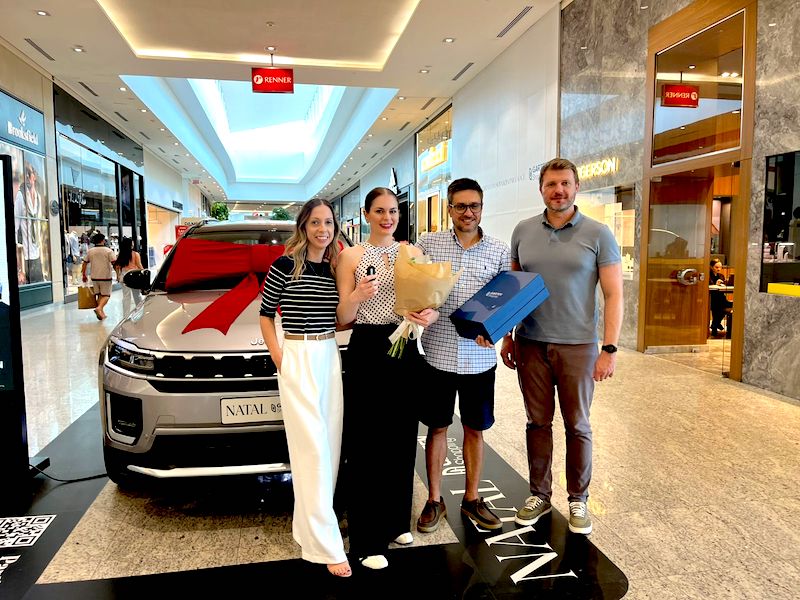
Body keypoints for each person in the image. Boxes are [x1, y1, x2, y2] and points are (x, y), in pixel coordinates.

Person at [501, 157, 623, 535]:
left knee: (578, 425)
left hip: (578, 346)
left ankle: (578, 499)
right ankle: (539, 494)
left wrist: (609, 349)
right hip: (531, 343)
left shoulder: (598, 234)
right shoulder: (523, 231)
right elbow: (514, 289)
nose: (559, 190)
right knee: (537, 422)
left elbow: (614, 295)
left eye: (565, 183)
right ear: (541, 189)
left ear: (576, 188)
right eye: (551, 184)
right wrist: (508, 334)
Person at [336, 187, 438, 570]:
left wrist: (427, 315)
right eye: (379, 211)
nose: (387, 218)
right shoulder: (351, 256)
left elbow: (429, 302)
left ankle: (396, 522)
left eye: (393, 211)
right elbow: (342, 316)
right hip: (367, 347)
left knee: (400, 435)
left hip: (405, 344)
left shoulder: (411, 252)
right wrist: (358, 295)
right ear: (366, 215)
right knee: (366, 442)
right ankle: (367, 539)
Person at [259, 199, 351, 578]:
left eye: (328, 222)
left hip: (328, 355)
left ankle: (307, 528)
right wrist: (281, 358)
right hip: (297, 355)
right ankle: (325, 546)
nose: (322, 229)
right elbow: (265, 316)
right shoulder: (284, 266)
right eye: (315, 222)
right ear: (303, 226)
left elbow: (341, 319)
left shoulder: (334, 268)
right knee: (311, 451)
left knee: (328, 449)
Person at [415, 177, 511, 533]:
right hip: (437, 354)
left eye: (474, 206)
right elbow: (414, 288)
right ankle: (434, 499)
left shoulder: (499, 251)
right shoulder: (428, 244)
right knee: (437, 427)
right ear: (449, 209)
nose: (468, 212)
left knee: (475, 428)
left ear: (482, 208)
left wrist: (498, 330)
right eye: (460, 206)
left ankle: (472, 498)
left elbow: (506, 301)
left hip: (479, 358)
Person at [13, 164, 43, 283]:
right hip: (25, 255)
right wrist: (19, 268)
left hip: (37, 254)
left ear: (34, 176)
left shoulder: (38, 198)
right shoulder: (21, 196)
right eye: (25, 174)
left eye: (29, 173)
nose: (27, 177)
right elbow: (15, 229)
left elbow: (39, 226)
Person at [82, 232, 116, 321]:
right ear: (103, 240)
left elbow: (84, 263)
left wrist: (84, 274)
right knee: (106, 295)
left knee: (99, 295)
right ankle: (99, 308)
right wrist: (118, 273)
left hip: (94, 277)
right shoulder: (108, 251)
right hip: (105, 276)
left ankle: (101, 313)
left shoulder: (90, 251)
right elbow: (114, 263)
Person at [114, 237, 144, 316]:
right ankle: (140, 311)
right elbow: (139, 265)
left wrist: (118, 275)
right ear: (130, 245)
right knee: (137, 295)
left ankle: (126, 315)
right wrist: (143, 272)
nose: (133, 245)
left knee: (126, 296)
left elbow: (117, 266)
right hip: (133, 276)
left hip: (124, 276)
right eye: (132, 243)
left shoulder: (121, 254)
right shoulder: (135, 254)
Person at [709, 259, 732, 337]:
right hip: (711, 298)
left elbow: (724, 285)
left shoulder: (721, 276)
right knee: (719, 307)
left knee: (727, 306)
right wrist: (716, 284)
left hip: (721, 298)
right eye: (716, 267)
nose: (719, 269)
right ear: (711, 267)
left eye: (720, 267)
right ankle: (715, 325)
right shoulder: (708, 275)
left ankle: (715, 324)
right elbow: (709, 287)